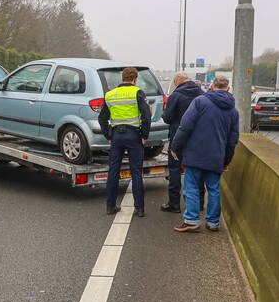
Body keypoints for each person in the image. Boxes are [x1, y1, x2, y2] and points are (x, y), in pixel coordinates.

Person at [169, 76, 239, 232]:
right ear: (228, 89)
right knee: (214, 189)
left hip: (195, 154)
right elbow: (232, 140)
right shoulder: (233, 111)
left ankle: (192, 220)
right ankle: (213, 222)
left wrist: (175, 146)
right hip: (216, 156)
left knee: (191, 187)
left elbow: (185, 126)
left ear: (212, 86)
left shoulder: (200, 102)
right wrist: (226, 161)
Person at [98, 66, 152, 217]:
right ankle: (139, 209)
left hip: (116, 136)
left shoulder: (110, 95)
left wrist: (108, 135)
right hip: (134, 136)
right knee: (136, 172)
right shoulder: (137, 92)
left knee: (113, 171)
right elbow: (146, 116)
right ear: (135, 79)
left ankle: (110, 206)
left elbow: (102, 118)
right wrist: (145, 135)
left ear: (122, 78)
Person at [160, 71, 203, 213]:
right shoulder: (202, 94)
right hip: (197, 138)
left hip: (178, 138)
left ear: (177, 81)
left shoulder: (176, 95)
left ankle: (174, 204)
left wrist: (163, 113)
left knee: (175, 169)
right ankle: (199, 202)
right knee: (197, 169)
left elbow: (168, 117)